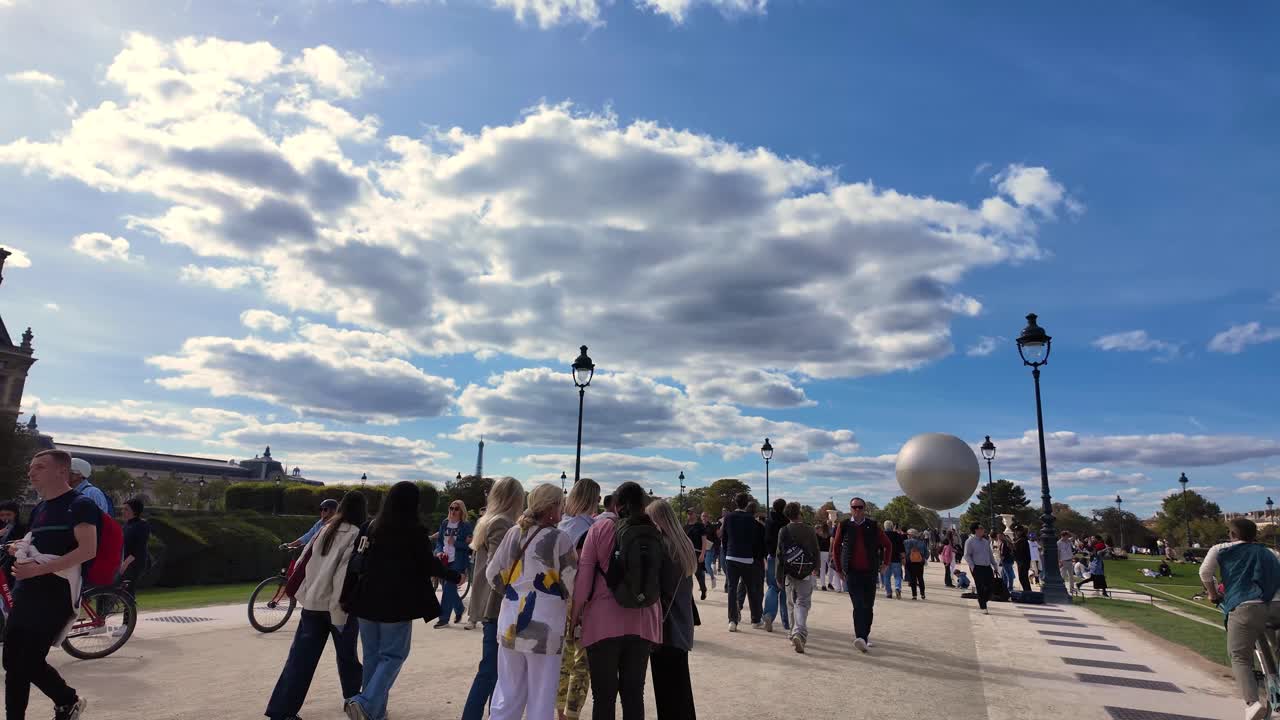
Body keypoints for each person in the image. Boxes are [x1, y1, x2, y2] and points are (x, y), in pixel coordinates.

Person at [343, 481, 461, 720]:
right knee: (394, 655)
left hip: (365, 599)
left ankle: (374, 712)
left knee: (373, 658)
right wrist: (454, 575)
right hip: (395, 602)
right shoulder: (412, 529)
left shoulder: (370, 526)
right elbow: (427, 564)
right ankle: (366, 703)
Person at [5, 449, 98, 720]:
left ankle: (67, 700)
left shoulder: (80, 504)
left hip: (55, 596)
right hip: (26, 592)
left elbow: (88, 550)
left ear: (61, 471)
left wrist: (39, 569)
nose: (31, 472)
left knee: (28, 662)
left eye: (39, 467)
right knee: (12, 662)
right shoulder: (40, 508)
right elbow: (36, 543)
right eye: (31, 467)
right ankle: (66, 700)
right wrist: (19, 548)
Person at [265, 491, 367, 720]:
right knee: (348, 658)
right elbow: (344, 576)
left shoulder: (325, 528)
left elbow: (303, 562)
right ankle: (354, 701)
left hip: (312, 603)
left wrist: (303, 594)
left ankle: (282, 711)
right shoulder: (356, 533)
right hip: (337, 606)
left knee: (299, 660)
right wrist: (341, 609)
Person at [571, 482, 663, 720]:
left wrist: (575, 618)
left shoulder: (600, 528)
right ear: (643, 504)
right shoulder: (653, 528)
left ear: (616, 504)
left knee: (604, 695)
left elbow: (584, 579)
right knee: (634, 694)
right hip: (643, 619)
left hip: (603, 621)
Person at [486, 484, 577, 720]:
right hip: (545, 628)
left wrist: (513, 591)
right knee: (541, 696)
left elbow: (492, 573)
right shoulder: (560, 539)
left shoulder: (513, 532)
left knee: (507, 692)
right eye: (561, 503)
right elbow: (572, 583)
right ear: (551, 507)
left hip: (510, 623)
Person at [1200, 518, 1280, 720]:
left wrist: (1212, 594)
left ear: (1232, 535)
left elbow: (1205, 573)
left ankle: (1252, 703)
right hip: (1275, 604)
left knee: (1240, 655)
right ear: (1255, 535)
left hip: (1246, 605)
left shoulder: (1221, 549)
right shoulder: (1269, 552)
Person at [462, 477, 525, 720]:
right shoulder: (503, 523)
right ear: (515, 498)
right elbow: (499, 570)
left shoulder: (490, 520)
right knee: (491, 671)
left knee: (493, 671)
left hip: (491, 603)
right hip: (496, 604)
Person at [647, 499, 697, 719]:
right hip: (682, 624)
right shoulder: (683, 544)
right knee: (680, 689)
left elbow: (657, 589)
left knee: (666, 692)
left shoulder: (664, 548)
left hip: (665, 627)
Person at [556, 478, 600, 720]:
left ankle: (559, 709)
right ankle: (572, 713)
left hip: (559, 598)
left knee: (562, 658)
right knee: (581, 662)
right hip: (583, 599)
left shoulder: (562, 525)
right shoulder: (590, 529)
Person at [831, 497, 891, 652]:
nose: (857, 510)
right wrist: (838, 569)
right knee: (858, 605)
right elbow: (836, 548)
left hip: (870, 572)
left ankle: (865, 635)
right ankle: (861, 637)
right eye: (854, 507)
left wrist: (885, 563)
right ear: (850, 509)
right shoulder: (844, 525)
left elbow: (887, 545)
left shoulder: (872, 525)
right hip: (851, 572)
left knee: (868, 606)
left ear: (865, 509)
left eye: (860, 507)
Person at [776, 502, 818, 653]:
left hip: (789, 570)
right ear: (799, 513)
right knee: (803, 602)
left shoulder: (783, 530)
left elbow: (779, 554)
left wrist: (778, 575)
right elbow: (815, 549)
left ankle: (792, 631)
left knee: (790, 603)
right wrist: (816, 568)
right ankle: (799, 632)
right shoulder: (809, 529)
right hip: (805, 570)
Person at [721, 493, 764, 631]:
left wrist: (728, 550)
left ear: (735, 502)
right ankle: (755, 619)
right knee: (751, 589)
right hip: (747, 557)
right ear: (746, 503)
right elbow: (755, 541)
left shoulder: (728, 517)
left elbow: (724, 537)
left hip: (731, 555)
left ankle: (732, 620)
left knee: (732, 589)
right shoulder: (751, 519)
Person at [434, 499, 474, 628]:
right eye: (451, 508)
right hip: (444, 560)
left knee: (448, 588)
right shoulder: (445, 523)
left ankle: (443, 619)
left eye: (456, 509)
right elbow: (440, 541)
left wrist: (455, 543)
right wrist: (438, 552)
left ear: (461, 511)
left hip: (458, 561)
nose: (453, 511)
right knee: (449, 588)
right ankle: (460, 608)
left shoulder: (466, 525)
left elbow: (470, 545)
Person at [762, 498, 790, 633]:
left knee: (772, 587)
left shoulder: (768, 521)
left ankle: (768, 614)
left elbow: (765, 539)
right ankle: (786, 621)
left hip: (772, 556)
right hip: (784, 558)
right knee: (785, 588)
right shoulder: (786, 522)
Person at [963, 523, 995, 614]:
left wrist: (994, 565)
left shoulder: (985, 541)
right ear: (976, 530)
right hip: (977, 567)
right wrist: (972, 566)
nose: (983, 530)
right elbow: (966, 555)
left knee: (991, 586)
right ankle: (983, 606)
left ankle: (983, 599)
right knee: (980, 586)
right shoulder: (970, 541)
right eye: (981, 528)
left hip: (987, 567)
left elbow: (990, 554)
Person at [119, 497, 150, 590]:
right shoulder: (127, 525)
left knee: (128, 591)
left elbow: (138, 549)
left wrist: (124, 565)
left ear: (134, 511)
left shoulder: (142, 525)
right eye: (122, 509)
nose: (122, 511)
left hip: (134, 563)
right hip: (124, 561)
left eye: (126, 509)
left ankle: (129, 604)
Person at [684, 508, 708, 601]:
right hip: (687, 553)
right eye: (688, 513)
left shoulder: (700, 526)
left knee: (699, 574)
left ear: (695, 515)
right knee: (688, 575)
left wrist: (703, 554)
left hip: (697, 552)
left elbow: (704, 541)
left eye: (691, 513)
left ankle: (703, 589)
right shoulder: (685, 527)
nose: (689, 515)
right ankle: (689, 594)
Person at [880, 520, 905, 600]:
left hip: (885, 559)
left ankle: (889, 593)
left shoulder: (882, 535)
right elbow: (901, 547)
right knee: (897, 576)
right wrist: (903, 557)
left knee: (886, 577)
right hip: (896, 558)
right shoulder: (897, 535)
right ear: (892, 526)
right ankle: (898, 588)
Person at [903, 528, 928, 600]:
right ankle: (922, 594)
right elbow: (927, 554)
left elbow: (903, 552)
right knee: (920, 578)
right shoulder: (922, 543)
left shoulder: (906, 542)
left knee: (912, 578)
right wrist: (923, 558)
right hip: (920, 562)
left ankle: (914, 595)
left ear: (910, 535)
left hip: (910, 562)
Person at [700, 512, 718, 590]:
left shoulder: (712, 527)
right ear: (701, 517)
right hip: (700, 549)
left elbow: (716, 538)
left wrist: (713, 546)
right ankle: (702, 585)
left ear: (708, 518)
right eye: (703, 516)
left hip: (709, 549)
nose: (704, 517)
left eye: (706, 516)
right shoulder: (698, 526)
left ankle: (712, 577)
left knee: (707, 565)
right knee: (701, 568)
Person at [1012, 525, 1032, 593]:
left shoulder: (1022, 540)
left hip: (1023, 562)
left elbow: (1019, 551)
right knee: (1023, 578)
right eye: (1015, 531)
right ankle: (1027, 591)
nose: (1016, 532)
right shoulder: (1020, 539)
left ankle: (1028, 592)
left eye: (1017, 531)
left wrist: (1012, 547)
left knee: (1023, 578)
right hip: (1021, 561)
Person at [815, 522, 833, 591]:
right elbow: (831, 545)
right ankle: (830, 583)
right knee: (831, 569)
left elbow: (817, 545)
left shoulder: (818, 535)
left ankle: (823, 585)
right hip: (828, 553)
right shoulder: (829, 535)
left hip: (821, 553)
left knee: (822, 570)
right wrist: (830, 552)